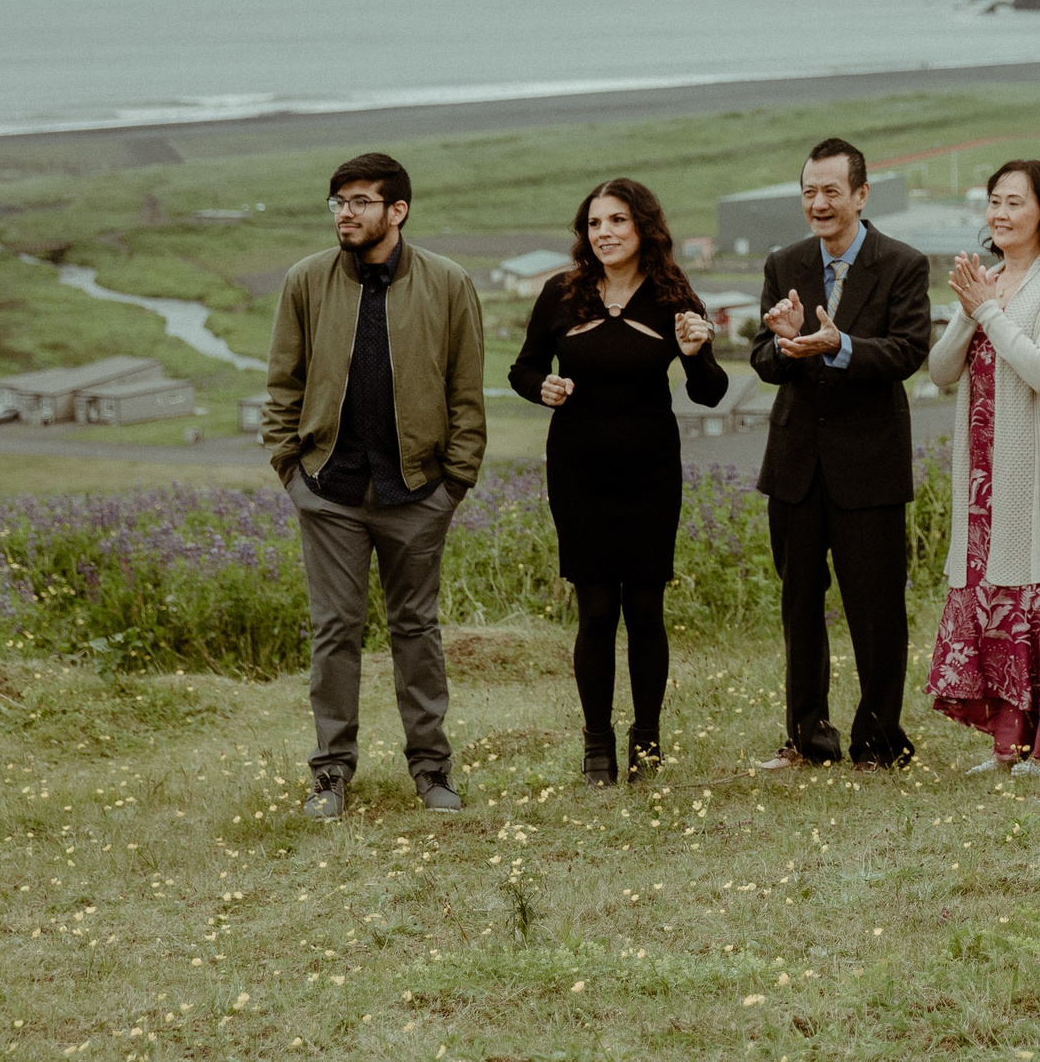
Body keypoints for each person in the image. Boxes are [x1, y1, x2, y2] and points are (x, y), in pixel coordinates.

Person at [263, 153, 485, 820]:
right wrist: (290, 470)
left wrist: (454, 483)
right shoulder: (306, 281)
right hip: (329, 492)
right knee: (335, 631)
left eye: (359, 201)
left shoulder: (448, 283)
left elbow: (467, 396)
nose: (344, 213)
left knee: (417, 631)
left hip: (417, 494)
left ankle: (432, 771)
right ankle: (330, 773)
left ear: (398, 210)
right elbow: (282, 385)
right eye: (337, 202)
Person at [508, 177, 726, 787]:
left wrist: (695, 352)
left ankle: (647, 740)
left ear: (643, 229)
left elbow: (709, 393)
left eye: (616, 221)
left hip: (650, 470)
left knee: (646, 607)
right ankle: (597, 742)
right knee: (596, 606)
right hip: (577, 470)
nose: (603, 233)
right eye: (594, 224)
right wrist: (542, 388)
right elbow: (524, 369)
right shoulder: (561, 293)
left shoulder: (674, 298)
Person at [748, 138, 935, 771]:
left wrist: (838, 345)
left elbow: (909, 351)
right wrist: (782, 345)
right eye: (809, 192)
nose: (819, 204)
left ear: (860, 195)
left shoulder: (903, 263)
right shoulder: (785, 262)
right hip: (796, 466)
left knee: (876, 610)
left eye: (832, 191)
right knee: (800, 605)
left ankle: (879, 741)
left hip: (870, 466)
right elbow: (762, 357)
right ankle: (807, 738)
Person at [924, 159, 1040, 775]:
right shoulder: (985, 283)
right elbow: (941, 372)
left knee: (1039, 599)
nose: (999, 215)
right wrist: (973, 310)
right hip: (982, 475)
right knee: (994, 599)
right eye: (993, 202)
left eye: (1014, 203)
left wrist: (990, 313)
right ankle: (1008, 746)